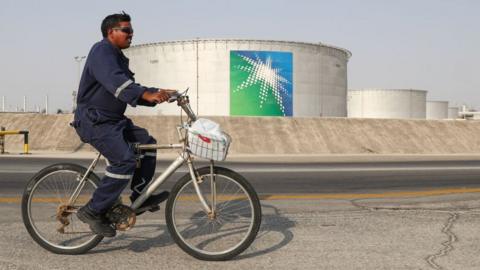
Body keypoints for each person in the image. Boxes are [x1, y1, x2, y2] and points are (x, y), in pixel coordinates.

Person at [71, 12, 173, 237]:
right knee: (124, 161)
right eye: (126, 30)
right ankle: (92, 210)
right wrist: (146, 94)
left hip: (114, 121)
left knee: (146, 143)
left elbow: (130, 88)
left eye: (131, 31)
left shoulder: (117, 56)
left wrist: (157, 93)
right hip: (95, 120)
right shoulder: (101, 51)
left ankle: (140, 195)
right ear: (111, 32)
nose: (131, 34)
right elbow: (116, 82)